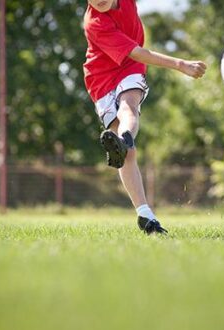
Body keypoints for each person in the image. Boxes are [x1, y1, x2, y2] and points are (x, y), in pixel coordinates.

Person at [82, 0, 207, 234]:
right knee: (128, 155)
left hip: (129, 68)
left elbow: (134, 59)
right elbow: (137, 52)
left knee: (129, 105)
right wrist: (180, 64)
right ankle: (145, 215)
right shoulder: (95, 23)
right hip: (100, 79)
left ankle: (124, 138)